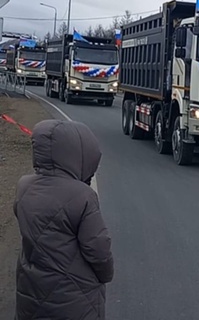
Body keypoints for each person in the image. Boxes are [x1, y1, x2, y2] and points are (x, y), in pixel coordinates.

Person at [14, 119, 114, 320]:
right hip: (75, 297)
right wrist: (105, 275)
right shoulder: (82, 195)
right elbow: (97, 248)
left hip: (30, 286)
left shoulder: (24, 186)